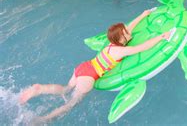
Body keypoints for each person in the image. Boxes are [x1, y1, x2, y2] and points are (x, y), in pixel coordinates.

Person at [19, 9, 175, 123]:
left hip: (83, 68)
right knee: (70, 104)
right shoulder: (121, 51)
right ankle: (44, 119)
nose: (129, 31)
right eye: (126, 32)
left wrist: (143, 14)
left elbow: (129, 28)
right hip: (89, 77)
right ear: (122, 38)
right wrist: (162, 37)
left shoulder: (111, 44)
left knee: (65, 88)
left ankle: (40, 89)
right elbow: (142, 48)